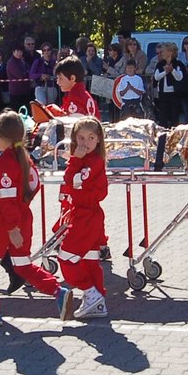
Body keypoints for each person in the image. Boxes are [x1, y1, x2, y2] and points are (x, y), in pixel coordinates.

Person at [0, 111, 66, 327]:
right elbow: (32, 187)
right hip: (23, 219)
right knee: (22, 266)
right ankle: (58, 291)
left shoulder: (4, 162)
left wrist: (11, 227)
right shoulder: (25, 159)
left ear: (2, 137)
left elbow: (6, 200)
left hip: (4, 224)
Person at [57, 117, 110, 320]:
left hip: (86, 218)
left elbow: (71, 180)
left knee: (66, 258)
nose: (85, 142)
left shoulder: (93, 162)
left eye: (90, 137)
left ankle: (91, 293)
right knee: (89, 260)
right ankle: (97, 302)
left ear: (98, 140)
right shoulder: (87, 160)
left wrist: (74, 160)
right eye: (80, 137)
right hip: (84, 215)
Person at [150, 42, 188, 127]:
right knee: (162, 116)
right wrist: (165, 72)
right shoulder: (160, 64)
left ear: (170, 52)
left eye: (163, 51)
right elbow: (156, 77)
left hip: (174, 94)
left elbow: (180, 77)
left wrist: (172, 71)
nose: (162, 53)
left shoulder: (178, 64)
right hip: (162, 93)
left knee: (174, 116)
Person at [2, 45, 32, 109]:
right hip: (16, 92)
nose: (19, 53)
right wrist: (27, 73)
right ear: (13, 52)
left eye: (20, 52)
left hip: (24, 91)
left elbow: (29, 70)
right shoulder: (11, 62)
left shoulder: (21, 61)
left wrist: (27, 72)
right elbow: (20, 75)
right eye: (17, 51)